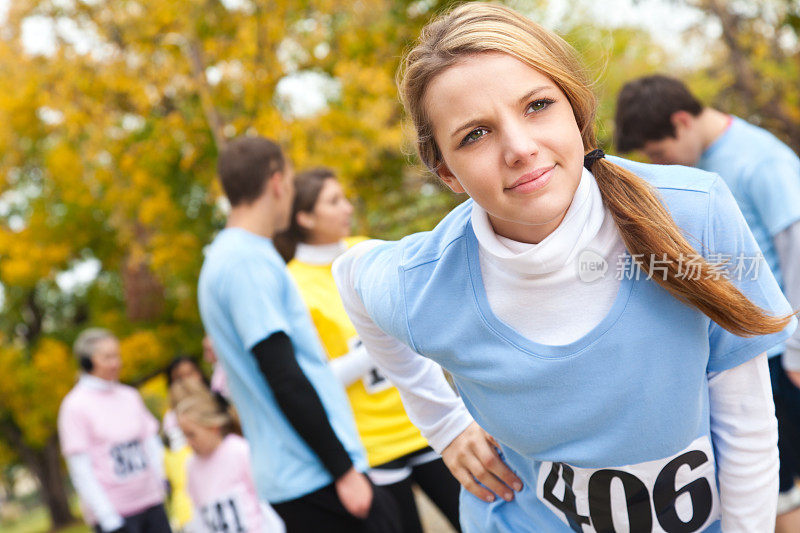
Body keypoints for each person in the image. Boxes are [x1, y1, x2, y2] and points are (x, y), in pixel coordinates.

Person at [332, 3, 797, 532]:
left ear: (576, 113)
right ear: (447, 172)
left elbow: (747, 423)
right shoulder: (426, 283)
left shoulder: (693, 211)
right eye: (474, 135)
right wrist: (443, 424)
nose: (520, 148)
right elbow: (351, 276)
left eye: (537, 105)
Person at [615, 74, 800, 528]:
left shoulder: (762, 162)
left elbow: (797, 256)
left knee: (780, 490)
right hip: (722, 355)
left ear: (682, 121)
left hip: (773, 355)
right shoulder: (698, 165)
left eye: (657, 153)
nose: (656, 163)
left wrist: (797, 349)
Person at [197, 136, 400, 532]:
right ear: (277, 183)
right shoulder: (246, 262)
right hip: (312, 472)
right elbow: (283, 376)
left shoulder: (228, 257)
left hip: (300, 471)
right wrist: (342, 471)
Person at [274, 167, 462, 532]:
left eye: (343, 198)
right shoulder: (292, 284)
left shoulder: (368, 250)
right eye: (333, 201)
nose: (346, 207)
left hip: (424, 423)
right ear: (305, 217)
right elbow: (314, 379)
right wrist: (376, 348)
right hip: (371, 447)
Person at [58, 328, 172, 533]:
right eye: (108, 357)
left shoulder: (130, 396)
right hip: (117, 515)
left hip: (152, 503)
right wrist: (107, 517)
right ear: (87, 362)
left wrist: (164, 480)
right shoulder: (74, 406)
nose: (116, 363)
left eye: (117, 356)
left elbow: (150, 442)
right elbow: (81, 469)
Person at [173, 380, 285, 533]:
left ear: (213, 427)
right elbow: (199, 514)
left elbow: (264, 503)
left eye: (192, 435)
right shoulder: (191, 467)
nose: (188, 442)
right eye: (184, 435)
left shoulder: (239, 450)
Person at [162, 356, 209, 531]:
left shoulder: (217, 404)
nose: (186, 381)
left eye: (191, 373)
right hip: (191, 504)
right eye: (179, 378)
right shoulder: (171, 420)